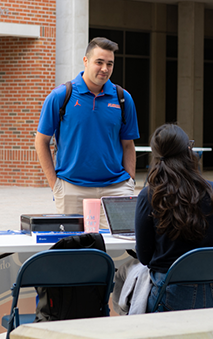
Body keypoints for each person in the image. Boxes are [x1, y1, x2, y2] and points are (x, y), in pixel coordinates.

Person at [35, 37, 139, 216]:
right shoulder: (61, 96)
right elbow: (41, 141)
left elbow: (128, 144)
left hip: (116, 188)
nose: (105, 69)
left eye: (110, 64)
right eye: (99, 62)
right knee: (75, 244)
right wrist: (56, 186)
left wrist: (129, 182)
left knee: (119, 243)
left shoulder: (123, 98)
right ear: (85, 61)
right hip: (72, 189)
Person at [135, 123, 213, 312]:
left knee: (126, 276)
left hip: (170, 295)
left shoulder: (149, 195)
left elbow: (144, 257)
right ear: (188, 150)